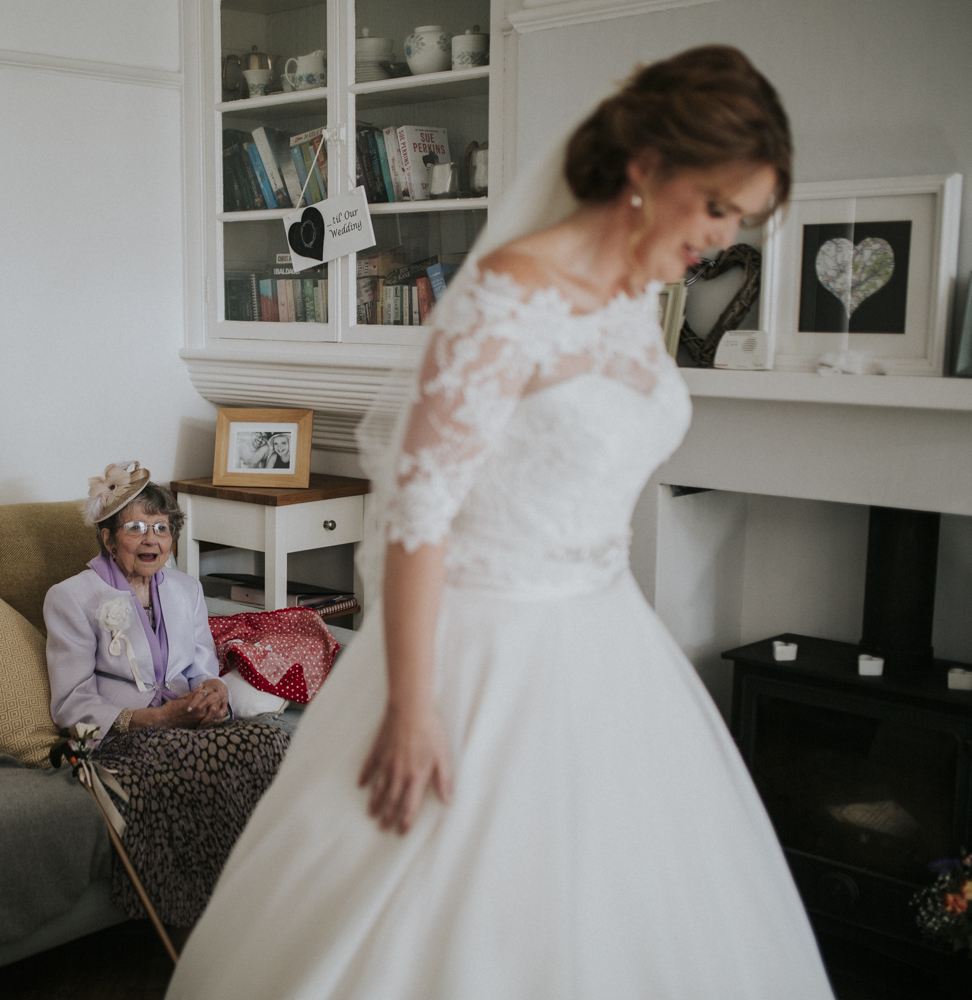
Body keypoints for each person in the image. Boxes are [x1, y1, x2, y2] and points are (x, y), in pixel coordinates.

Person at [168, 46, 834, 998]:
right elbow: (415, 511)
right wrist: (410, 703)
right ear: (647, 168)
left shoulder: (639, 296)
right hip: (479, 645)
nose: (722, 234)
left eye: (742, 217)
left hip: (610, 645)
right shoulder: (506, 296)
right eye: (717, 205)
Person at [44, 460, 291, 928]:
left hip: (189, 726)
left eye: (161, 528)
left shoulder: (186, 589)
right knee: (201, 766)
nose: (151, 539)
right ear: (108, 538)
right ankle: (198, 915)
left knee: (271, 743)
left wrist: (214, 691)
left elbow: (201, 670)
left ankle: (262, 897)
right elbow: (71, 705)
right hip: (126, 736)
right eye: (136, 528)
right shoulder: (72, 597)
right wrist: (158, 720)